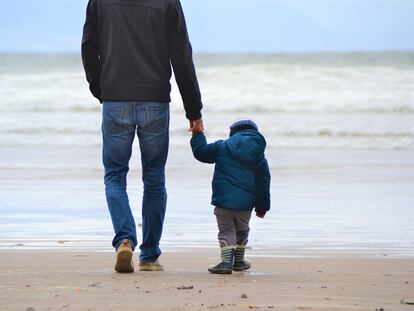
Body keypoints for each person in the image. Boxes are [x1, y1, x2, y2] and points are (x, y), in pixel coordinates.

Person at [81, 0, 204, 273]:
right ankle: (149, 256)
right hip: (155, 101)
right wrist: (193, 109)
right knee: (154, 178)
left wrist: (101, 89)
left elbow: (89, 47)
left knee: (115, 175)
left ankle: (124, 239)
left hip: (115, 100)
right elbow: (181, 54)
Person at [190, 118, 271, 274]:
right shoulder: (259, 157)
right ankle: (239, 261)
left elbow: (201, 152)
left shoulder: (222, 147)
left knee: (226, 230)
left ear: (233, 133)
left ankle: (226, 262)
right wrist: (262, 207)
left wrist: (197, 134)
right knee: (242, 230)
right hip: (245, 205)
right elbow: (263, 183)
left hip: (224, 202)